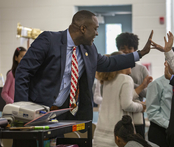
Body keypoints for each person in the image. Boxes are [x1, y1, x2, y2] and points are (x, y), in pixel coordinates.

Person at [14, 10, 153, 123]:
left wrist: (140, 54)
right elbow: (23, 71)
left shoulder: (89, 49)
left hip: (64, 115)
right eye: (95, 29)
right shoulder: (49, 40)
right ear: (83, 29)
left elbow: (109, 63)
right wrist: (23, 109)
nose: (97, 33)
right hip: (37, 111)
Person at [92, 51, 152, 147]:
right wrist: (141, 107)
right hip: (116, 140)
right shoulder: (126, 79)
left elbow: (122, 98)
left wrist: (143, 86)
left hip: (100, 140)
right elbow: (126, 104)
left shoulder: (108, 79)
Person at [146, 55, 174, 147]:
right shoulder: (156, 84)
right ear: (166, 64)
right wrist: (170, 125)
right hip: (161, 130)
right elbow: (152, 112)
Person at [116, 32, 151, 138]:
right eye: (123, 48)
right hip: (119, 113)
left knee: (139, 142)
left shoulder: (141, 69)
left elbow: (148, 93)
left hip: (137, 113)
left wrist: (133, 84)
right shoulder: (114, 69)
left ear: (135, 50)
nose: (126, 51)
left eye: (129, 48)